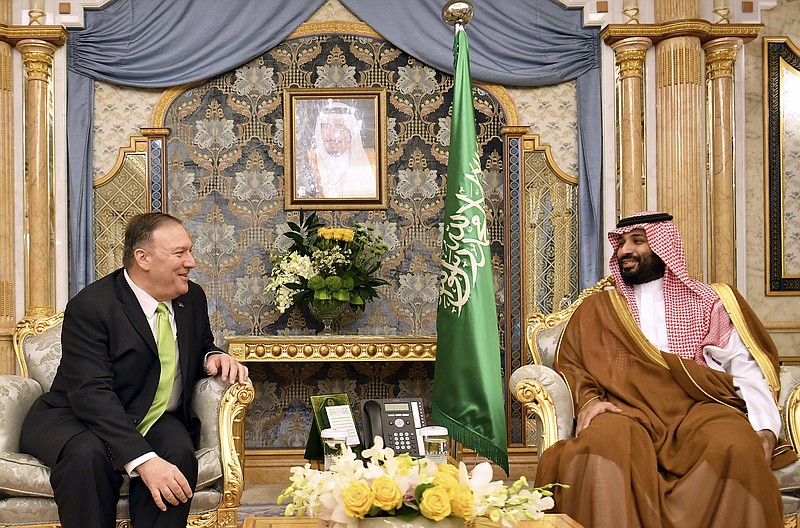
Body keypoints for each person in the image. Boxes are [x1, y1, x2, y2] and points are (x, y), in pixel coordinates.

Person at [535, 211, 796, 528]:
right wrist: (589, 401)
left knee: (735, 444)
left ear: (663, 246)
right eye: (621, 243)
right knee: (601, 444)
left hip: (697, 410)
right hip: (624, 410)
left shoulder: (706, 301)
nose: (625, 251)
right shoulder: (598, 308)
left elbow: (743, 367)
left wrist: (765, 426)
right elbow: (573, 365)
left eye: (637, 241)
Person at [20, 212, 249, 528]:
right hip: (77, 415)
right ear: (143, 258)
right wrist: (144, 460)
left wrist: (212, 356)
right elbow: (91, 393)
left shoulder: (191, 297)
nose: (192, 262)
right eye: (180, 253)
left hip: (153, 415)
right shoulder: (93, 306)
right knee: (88, 456)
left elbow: (199, 343)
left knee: (178, 453)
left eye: (190, 251)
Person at [307, 101, 377, 199]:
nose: (332, 135)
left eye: (340, 127)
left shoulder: (371, 160)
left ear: (351, 131)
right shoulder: (309, 161)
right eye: (326, 127)